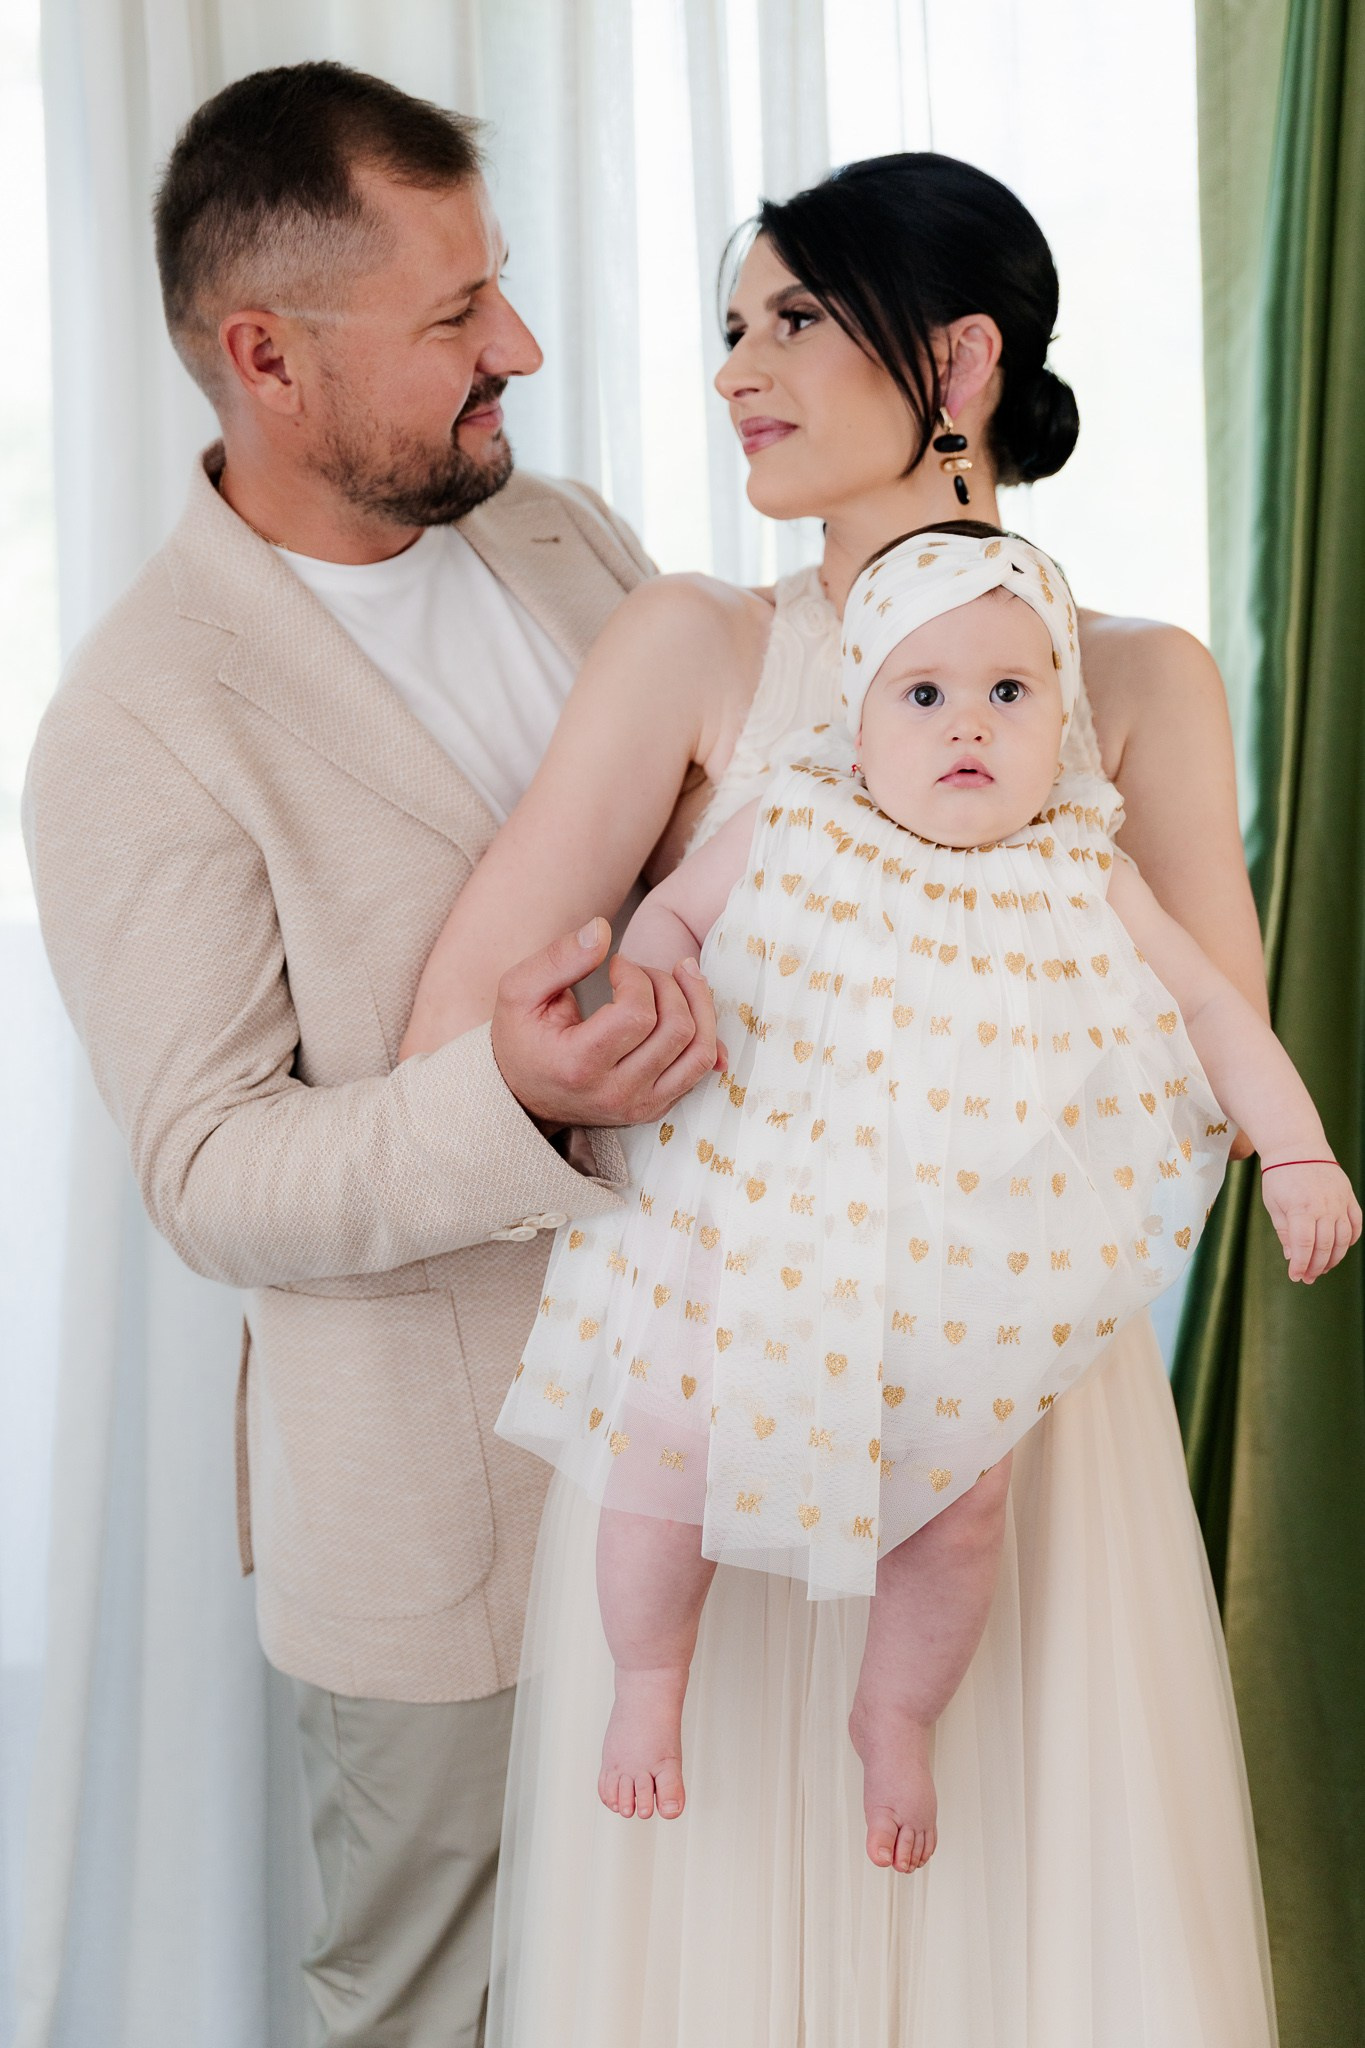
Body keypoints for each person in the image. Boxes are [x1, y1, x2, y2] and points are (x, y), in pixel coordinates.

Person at [401, 155, 1288, 2044]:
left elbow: (1210, 1063)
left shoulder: (1136, 678)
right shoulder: (697, 642)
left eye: (793, 318)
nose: (736, 370)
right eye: (730, 327)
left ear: (956, 361)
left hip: (1018, 1398)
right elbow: (464, 1031)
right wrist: (629, 1032)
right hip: (737, 1357)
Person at [22, 61, 721, 2048]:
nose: (520, 350)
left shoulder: (566, 539)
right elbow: (210, 1172)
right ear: (266, 357)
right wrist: (510, 1102)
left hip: (723, 1441)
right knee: (433, 2012)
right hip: (448, 1529)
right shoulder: (135, 725)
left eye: (497, 289)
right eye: (453, 317)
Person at [496, 523, 1358, 1875]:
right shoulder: (796, 821)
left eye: (1009, 692)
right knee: (662, 1453)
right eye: (924, 693)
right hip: (761, 1233)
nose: (968, 724)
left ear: (1062, 721)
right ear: (858, 722)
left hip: (965, 1272)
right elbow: (667, 920)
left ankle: (894, 1716)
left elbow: (1208, 1008)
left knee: (957, 1515)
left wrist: (1297, 1149)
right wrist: (661, 994)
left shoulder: (1083, 863)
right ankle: (648, 1678)